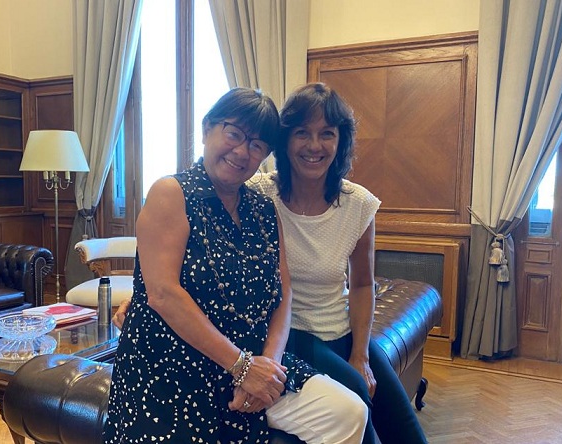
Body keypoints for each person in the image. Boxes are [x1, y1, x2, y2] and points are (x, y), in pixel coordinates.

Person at [103, 87, 368, 443]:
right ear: (207, 129)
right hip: (175, 365)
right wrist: (241, 368)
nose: (242, 151)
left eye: (257, 145)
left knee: (348, 412)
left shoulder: (263, 209)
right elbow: (163, 294)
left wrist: (268, 368)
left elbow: (284, 293)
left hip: (253, 358)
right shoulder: (171, 193)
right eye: (234, 134)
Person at [252, 82, 427, 444]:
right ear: (285, 140)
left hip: (340, 329)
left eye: (326, 134)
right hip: (290, 332)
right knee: (357, 396)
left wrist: (360, 354)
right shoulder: (259, 194)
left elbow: (361, 284)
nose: (314, 145)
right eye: (302, 133)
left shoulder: (357, 203)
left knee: (406, 429)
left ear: (340, 141)